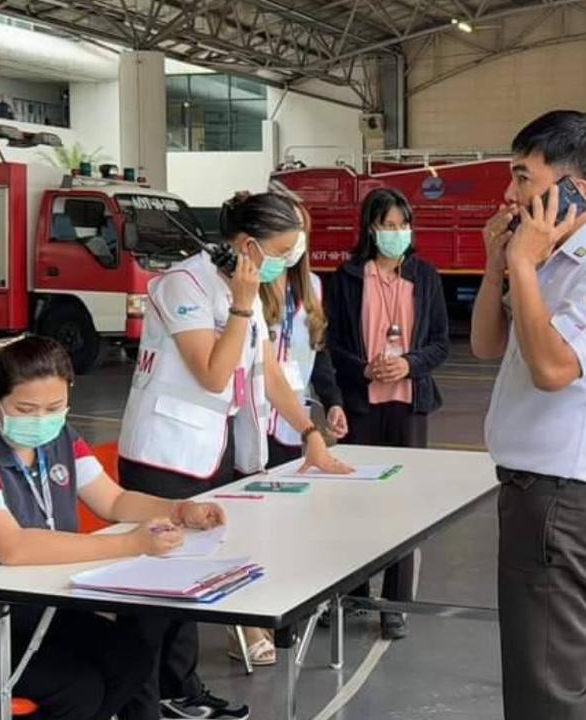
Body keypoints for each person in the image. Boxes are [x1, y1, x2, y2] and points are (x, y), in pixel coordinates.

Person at [0, 336, 226, 720]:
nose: (40, 420)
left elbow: (113, 501)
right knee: (76, 689)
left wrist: (179, 509)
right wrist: (133, 545)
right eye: (25, 408)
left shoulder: (61, 439)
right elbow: (14, 548)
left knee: (131, 658)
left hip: (29, 612)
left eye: (54, 407)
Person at [117, 191, 349, 720]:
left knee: (194, 576)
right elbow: (214, 373)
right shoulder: (183, 285)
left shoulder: (241, 288)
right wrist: (244, 305)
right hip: (164, 457)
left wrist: (310, 433)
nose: (290, 263)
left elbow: (270, 372)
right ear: (247, 246)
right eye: (283, 252)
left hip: (214, 454)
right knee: (154, 592)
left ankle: (180, 689)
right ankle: (138, 703)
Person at [472, 109, 586, 720]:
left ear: (573, 187)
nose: (510, 193)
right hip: (539, 493)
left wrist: (523, 265)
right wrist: (502, 262)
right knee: (584, 670)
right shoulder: (551, 254)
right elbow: (487, 346)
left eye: (523, 178)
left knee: (546, 686)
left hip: (560, 499)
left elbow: (553, 370)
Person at [227, 194, 350, 667]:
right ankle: (247, 622)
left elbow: (316, 359)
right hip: (254, 418)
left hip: (297, 417)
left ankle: (279, 605)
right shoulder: (249, 284)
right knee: (251, 527)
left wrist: (330, 405)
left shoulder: (311, 286)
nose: (292, 249)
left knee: (290, 527)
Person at [325, 186, 449, 640]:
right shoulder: (346, 278)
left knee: (403, 505)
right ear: (370, 229)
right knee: (358, 502)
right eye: (386, 225)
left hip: (409, 404)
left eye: (401, 225)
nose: (395, 233)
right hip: (363, 404)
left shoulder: (425, 276)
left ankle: (394, 605)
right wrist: (365, 369)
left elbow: (439, 343)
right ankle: (356, 591)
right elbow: (333, 345)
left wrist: (407, 365)